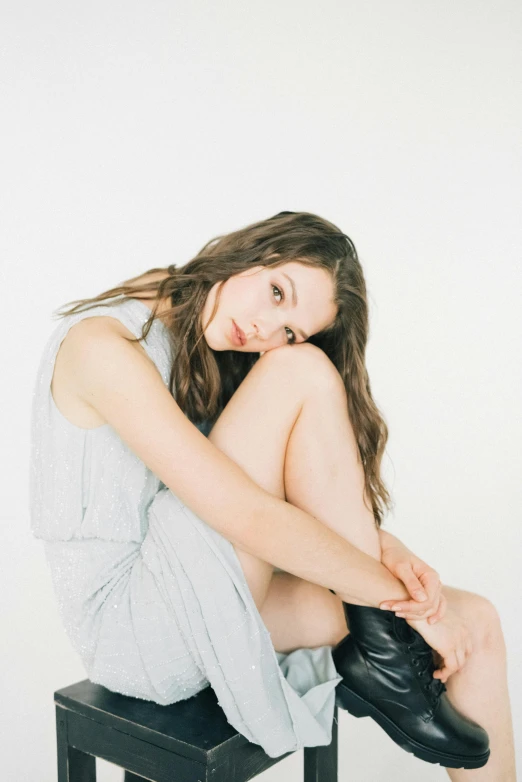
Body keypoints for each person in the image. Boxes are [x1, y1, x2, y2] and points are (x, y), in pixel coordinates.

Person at [29, 211, 516, 777]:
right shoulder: (102, 345)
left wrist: (389, 551)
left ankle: (385, 652)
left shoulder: (201, 323)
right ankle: (385, 651)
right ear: (249, 253)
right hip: (136, 628)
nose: (265, 330)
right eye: (277, 293)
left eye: (289, 330)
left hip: (204, 582)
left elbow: (271, 492)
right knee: (301, 372)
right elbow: (245, 513)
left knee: (474, 620)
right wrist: (393, 598)